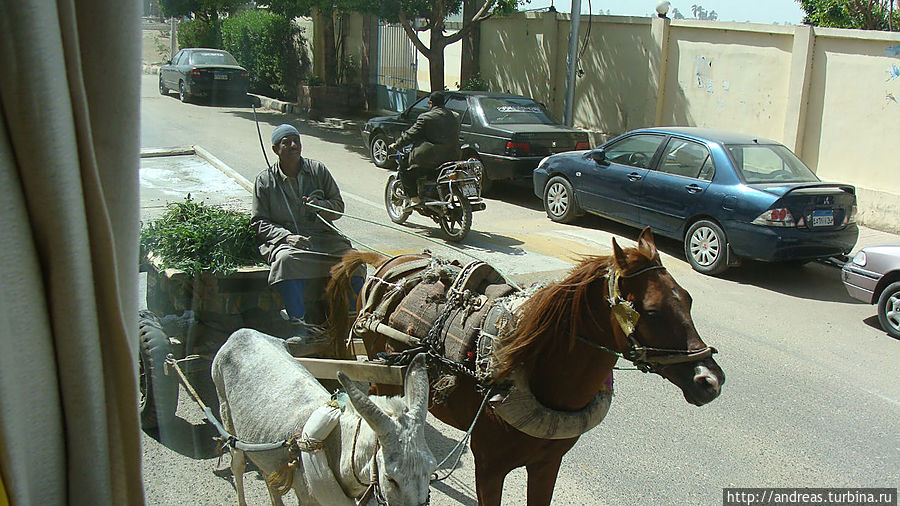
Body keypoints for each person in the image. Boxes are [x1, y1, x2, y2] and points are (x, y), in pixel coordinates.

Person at [250, 124, 363, 346]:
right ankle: (300, 325)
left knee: (354, 260)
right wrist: (285, 237)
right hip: (289, 240)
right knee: (285, 260)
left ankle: (353, 320)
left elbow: (338, 207)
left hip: (324, 237)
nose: (293, 145)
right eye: (287, 142)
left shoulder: (318, 171)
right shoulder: (265, 181)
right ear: (275, 150)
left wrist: (320, 206)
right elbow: (258, 221)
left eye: (296, 140)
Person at [388, 91, 461, 207]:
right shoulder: (455, 116)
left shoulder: (425, 117)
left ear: (430, 103)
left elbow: (410, 135)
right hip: (453, 155)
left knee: (405, 170)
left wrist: (396, 145)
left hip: (432, 158)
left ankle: (414, 198)